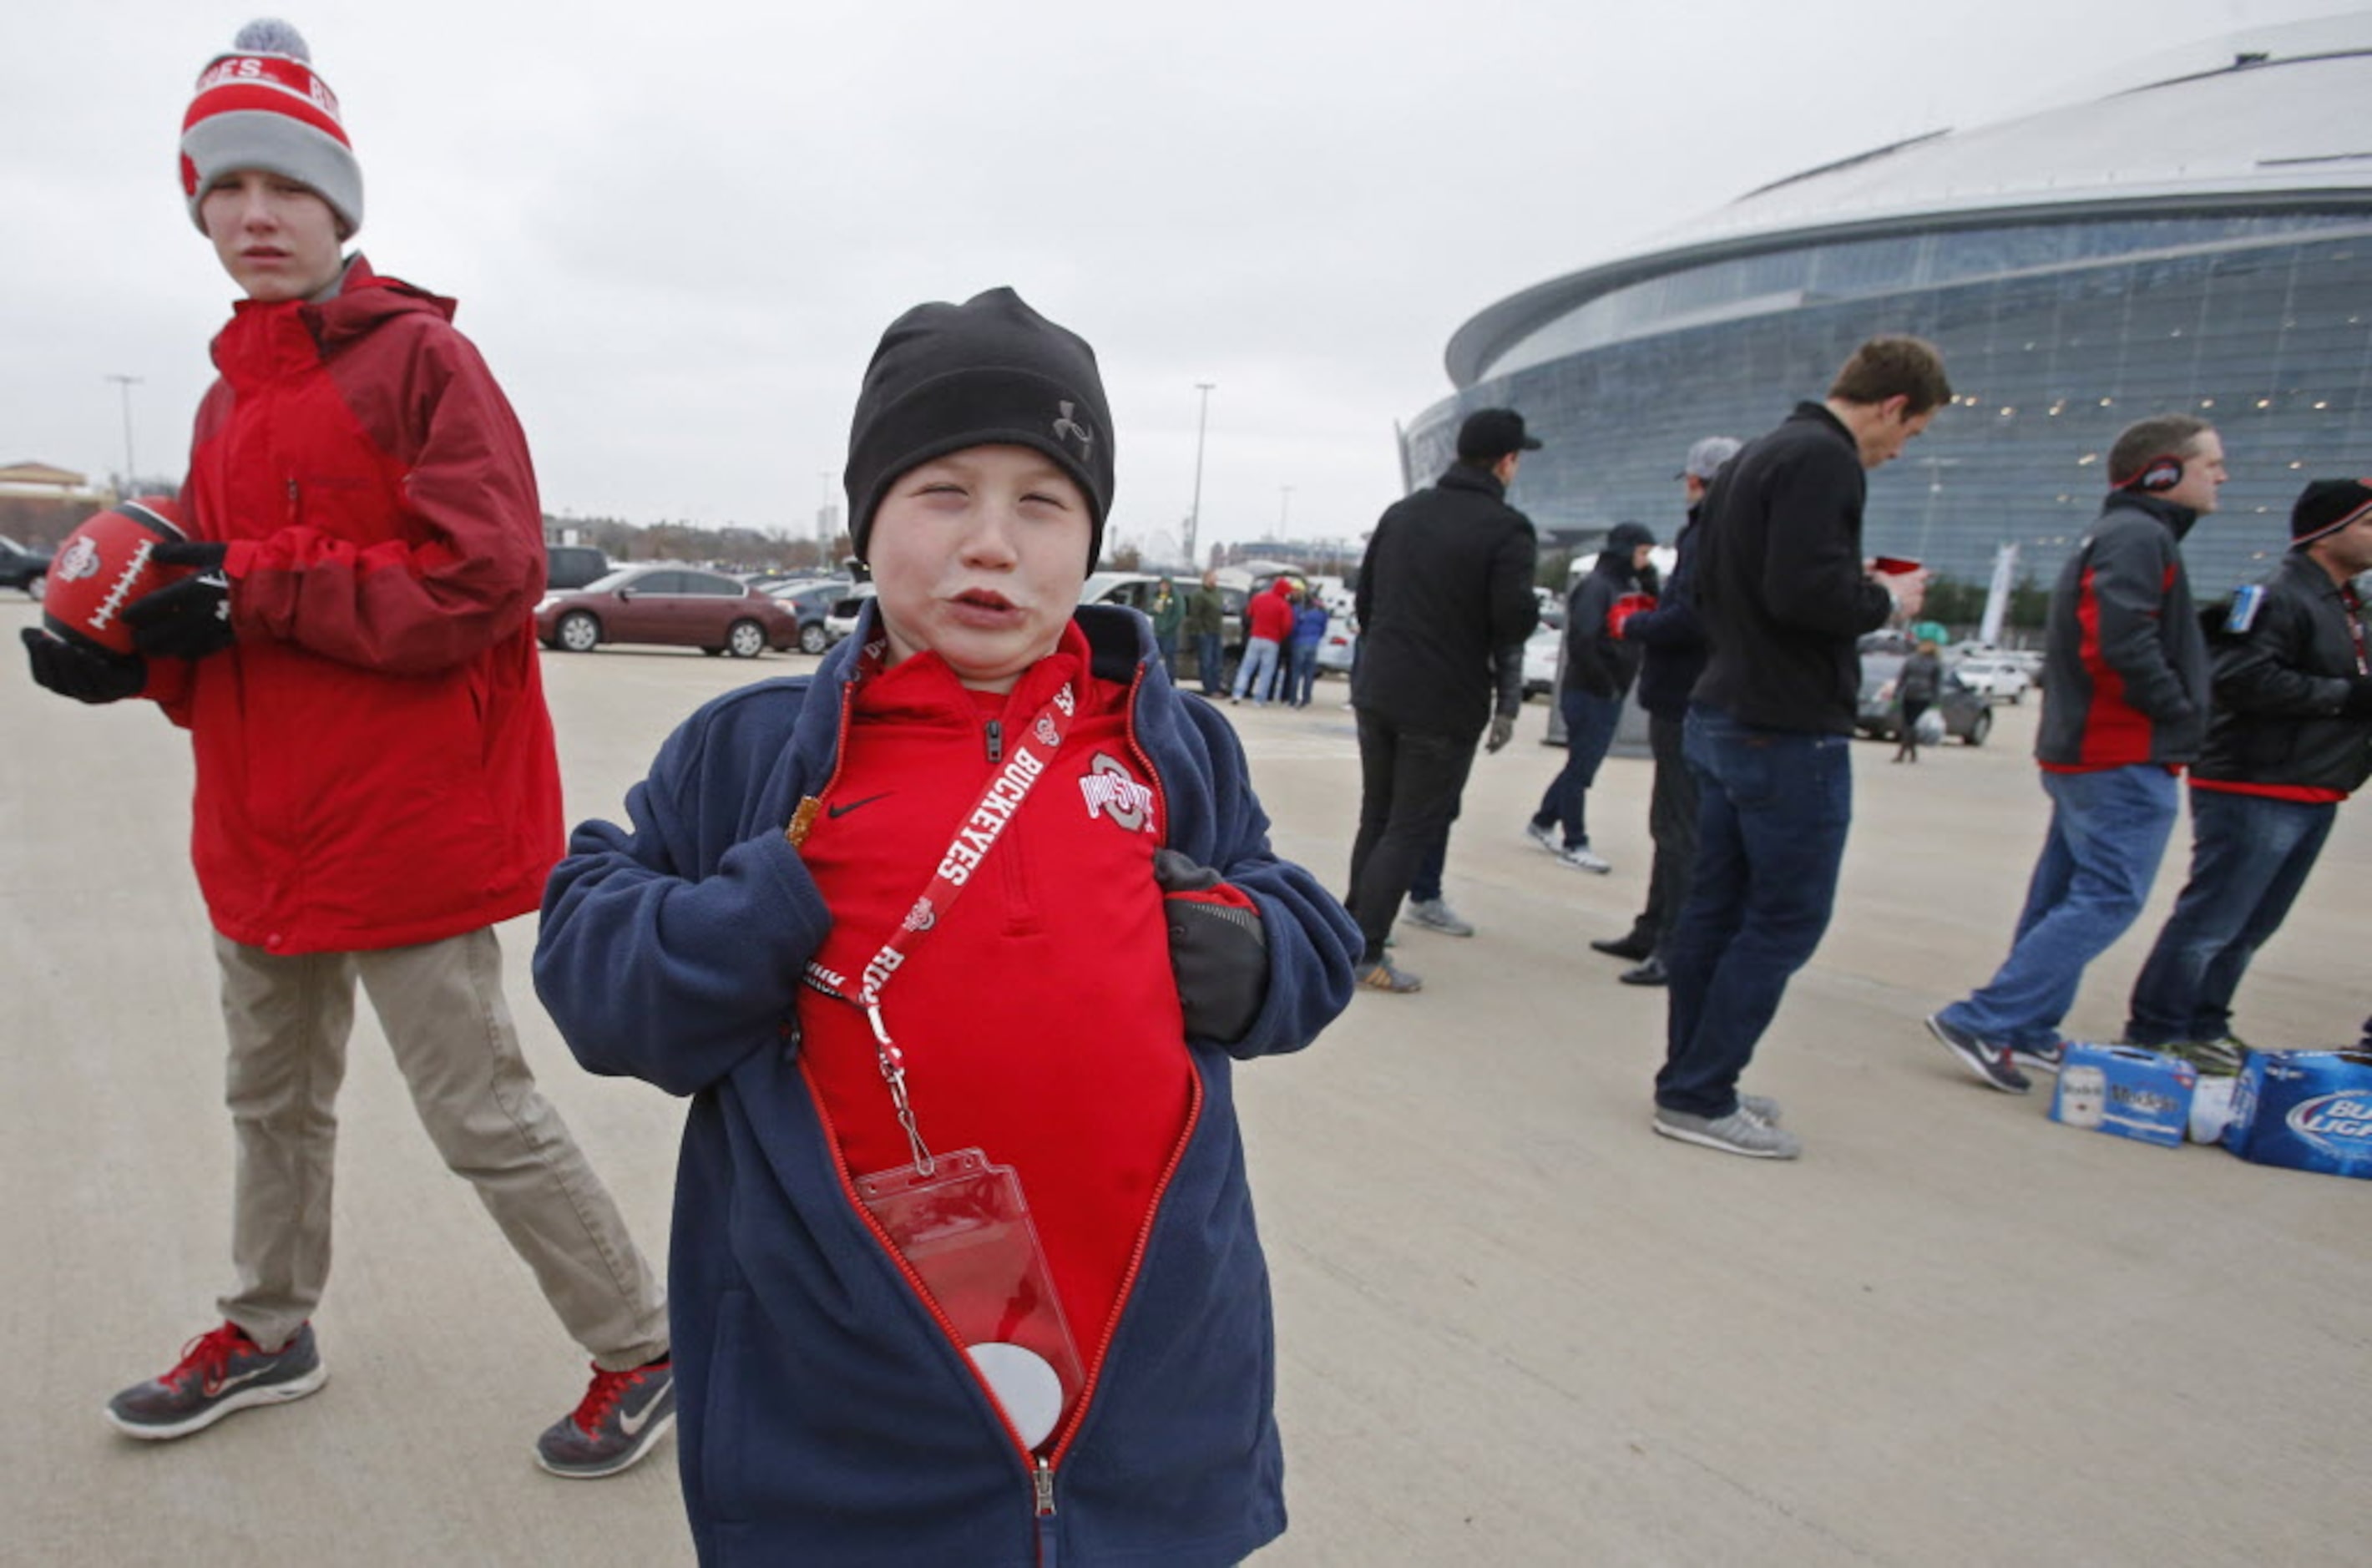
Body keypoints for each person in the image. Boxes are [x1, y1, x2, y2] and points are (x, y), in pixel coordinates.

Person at [532, 287, 1360, 1565]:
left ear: (1090, 539)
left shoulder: (1170, 741)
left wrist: (1256, 952)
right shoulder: (751, 749)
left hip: (1148, 1408)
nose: (993, 542)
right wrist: (749, 916)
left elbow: (1310, 931)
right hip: (844, 1407)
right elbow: (592, 961)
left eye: (1043, 501)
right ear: (866, 523)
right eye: (942, 492)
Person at [17, 20, 671, 1476]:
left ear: (338, 203)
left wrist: (252, 585)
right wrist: (123, 658)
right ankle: (267, 1327)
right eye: (221, 188)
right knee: (270, 1104)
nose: (253, 213)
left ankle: (640, 1340)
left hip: (404, 825)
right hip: (259, 826)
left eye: (284, 184)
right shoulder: (217, 400)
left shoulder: (426, 361)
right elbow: (218, 625)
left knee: (480, 1112)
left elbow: (481, 581)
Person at [1654, 338, 1947, 1158]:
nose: (1901, 449)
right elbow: (1806, 595)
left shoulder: (1757, 457)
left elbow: (1721, 585)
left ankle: (1691, 1078)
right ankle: (1702, 1090)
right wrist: (1883, 595)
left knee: (1715, 909)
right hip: (1784, 722)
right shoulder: (1825, 460)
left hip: (1723, 707)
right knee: (1784, 918)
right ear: (1894, 405)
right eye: (1912, 432)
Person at [1927, 414, 2226, 1094]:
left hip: (2097, 750)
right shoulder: (2137, 537)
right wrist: (2178, 707)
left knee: (2064, 892)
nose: (2222, 476)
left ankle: (2025, 1026)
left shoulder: (2127, 535)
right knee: (2108, 895)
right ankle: (1987, 1018)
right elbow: (2115, 640)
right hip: (2117, 752)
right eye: (2210, 464)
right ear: (2162, 472)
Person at [2121, 478, 2372, 1068]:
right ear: (2323, 534)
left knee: (2252, 925)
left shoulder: (2345, 606)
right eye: (2367, 524)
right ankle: (2157, 1029)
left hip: (2312, 786)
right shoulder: (2269, 596)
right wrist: (2345, 697)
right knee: (2212, 920)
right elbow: (2234, 676)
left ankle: (2205, 1022)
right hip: (2255, 783)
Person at [1343, 407, 1541, 993]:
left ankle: (1350, 934)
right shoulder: (1506, 529)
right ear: (1506, 462)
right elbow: (1511, 621)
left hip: (1379, 686)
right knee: (1410, 826)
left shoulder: (1402, 514)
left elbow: (1366, 600)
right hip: (1444, 700)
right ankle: (1365, 949)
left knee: (1376, 815)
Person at [1592, 436, 1741, 986]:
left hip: (1685, 697)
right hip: (1687, 695)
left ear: (1697, 482)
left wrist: (1635, 624)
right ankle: (1653, 927)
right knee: (1671, 823)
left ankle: (1672, 943)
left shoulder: (1710, 537)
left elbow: (1693, 619)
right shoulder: (1724, 535)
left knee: (1679, 827)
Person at [1525, 521, 1656, 873]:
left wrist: (1649, 581)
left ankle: (1543, 819)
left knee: (1580, 765)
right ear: (1627, 550)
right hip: (1589, 691)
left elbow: (1650, 616)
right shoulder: (1596, 587)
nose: (1646, 561)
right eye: (1643, 553)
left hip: (1609, 691)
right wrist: (1604, 681)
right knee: (1582, 769)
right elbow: (1582, 639)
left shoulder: (1625, 585)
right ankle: (1575, 841)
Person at [1232, 575, 1295, 704]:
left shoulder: (1259, 599)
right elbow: (1287, 625)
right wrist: (1281, 636)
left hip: (1255, 637)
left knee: (1246, 667)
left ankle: (1237, 693)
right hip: (1272, 640)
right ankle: (1259, 699)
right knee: (1266, 671)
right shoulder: (1284, 605)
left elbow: (1249, 614)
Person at [1894, 639, 1945, 763]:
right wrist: (1936, 701)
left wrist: (1897, 694)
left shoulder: (1914, 659)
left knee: (1909, 725)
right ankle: (1910, 753)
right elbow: (1936, 685)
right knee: (1911, 725)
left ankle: (1903, 753)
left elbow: (1902, 678)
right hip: (1920, 696)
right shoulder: (1934, 662)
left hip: (1914, 695)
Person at [1185, 567, 1226, 696]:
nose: (1215, 580)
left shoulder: (1218, 593)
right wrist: (1200, 631)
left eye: (1215, 578)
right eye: (1212, 578)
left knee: (1217, 661)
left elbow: (1222, 609)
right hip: (1205, 632)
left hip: (1217, 631)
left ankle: (1216, 686)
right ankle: (1209, 688)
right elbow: (1195, 615)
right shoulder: (1199, 595)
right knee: (1206, 661)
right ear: (1206, 579)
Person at [1287, 581, 1329, 706]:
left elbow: (1293, 626)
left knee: (1296, 672)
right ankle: (1306, 697)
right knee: (1309, 673)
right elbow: (1323, 627)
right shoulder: (1321, 611)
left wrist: (1293, 638)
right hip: (1314, 643)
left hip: (1299, 641)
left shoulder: (1298, 609)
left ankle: (1293, 698)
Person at [1149, 572, 1184, 680]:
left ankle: (1170, 681)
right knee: (1155, 658)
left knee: (1169, 658)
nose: (1163, 586)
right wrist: (1154, 609)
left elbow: (1179, 614)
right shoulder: (1157, 596)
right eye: (1162, 584)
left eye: (1166, 584)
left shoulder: (1175, 597)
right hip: (1156, 632)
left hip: (1169, 634)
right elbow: (1150, 610)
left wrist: (1168, 627)